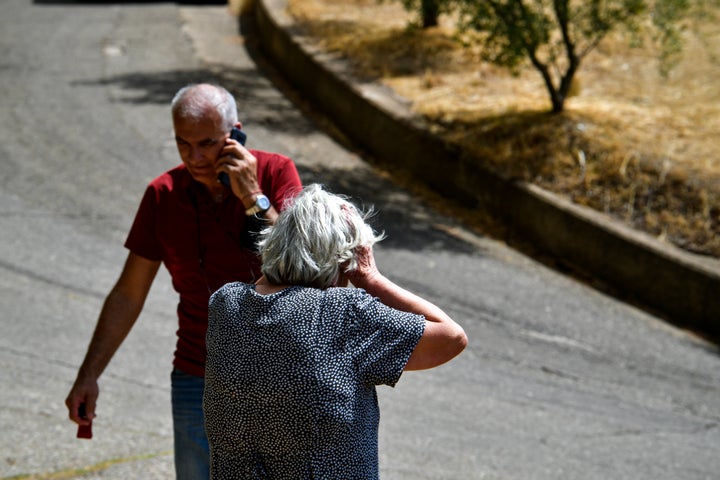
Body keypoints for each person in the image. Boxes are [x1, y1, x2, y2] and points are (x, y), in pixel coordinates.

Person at [65, 83, 303, 479]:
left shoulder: (277, 173)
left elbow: (300, 267)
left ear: (235, 134)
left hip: (276, 375)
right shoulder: (163, 194)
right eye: (183, 144)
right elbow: (128, 293)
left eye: (207, 144)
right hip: (197, 375)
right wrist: (88, 374)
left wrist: (253, 197)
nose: (195, 158)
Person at [203, 184, 467, 479]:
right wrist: (370, 277)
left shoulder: (226, 304)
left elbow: (271, 282)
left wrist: (287, 248)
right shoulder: (341, 313)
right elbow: (451, 338)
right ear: (345, 261)